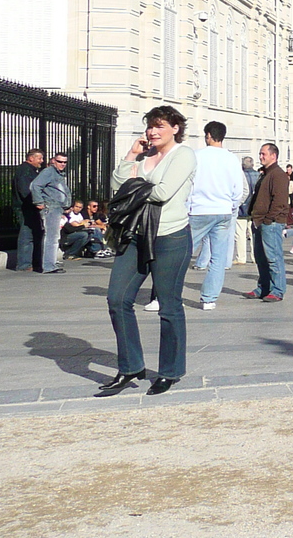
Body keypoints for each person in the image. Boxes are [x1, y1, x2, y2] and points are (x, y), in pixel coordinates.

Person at [101, 105, 197, 397]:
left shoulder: (184, 155)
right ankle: (131, 366)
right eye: (150, 127)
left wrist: (134, 188)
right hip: (135, 236)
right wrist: (131, 155)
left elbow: (163, 192)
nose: (152, 132)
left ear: (175, 128)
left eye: (159, 127)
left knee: (169, 306)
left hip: (170, 237)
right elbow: (117, 186)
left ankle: (170, 371)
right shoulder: (143, 156)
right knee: (117, 299)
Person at [186, 121, 248, 311]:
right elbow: (239, 189)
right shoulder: (231, 159)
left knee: (183, 252)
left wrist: (188, 206)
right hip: (223, 210)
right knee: (218, 258)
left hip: (198, 210)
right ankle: (209, 298)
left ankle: (165, 292)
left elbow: (189, 184)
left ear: (208, 136)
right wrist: (232, 206)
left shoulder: (196, 156)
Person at [244, 143, 292, 302]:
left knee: (273, 257)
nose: (261, 157)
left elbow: (279, 201)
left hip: (270, 223)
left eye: (264, 154)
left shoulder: (277, 174)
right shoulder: (265, 174)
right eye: (260, 154)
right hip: (259, 221)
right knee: (260, 257)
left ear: (274, 156)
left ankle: (277, 290)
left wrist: (268, 219)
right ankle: (264, 287)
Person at [30, 151, 71, 274]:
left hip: (57, 208)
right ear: (53, 160)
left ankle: (50, 263)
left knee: (54, 237)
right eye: (60, 161)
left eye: (65, 162)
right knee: (52, 237)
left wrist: (65, 205)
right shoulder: (49, 172)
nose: (62, 164)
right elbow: (35, 185)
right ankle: (48, 265)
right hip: (51, 208)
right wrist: (39, 202)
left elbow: (58, 191)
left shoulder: (58, 174)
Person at [13, 148, 44, 271]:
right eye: (39, 158)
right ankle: (24, 264)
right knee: (27, 234)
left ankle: (34, 262)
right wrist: (36, 202)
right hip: (26, 208)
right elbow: (25, 189)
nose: (41, 161)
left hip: (31, 207)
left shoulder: (31, 171)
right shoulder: (25, 171)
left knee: (35, 234)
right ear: (31, 158)